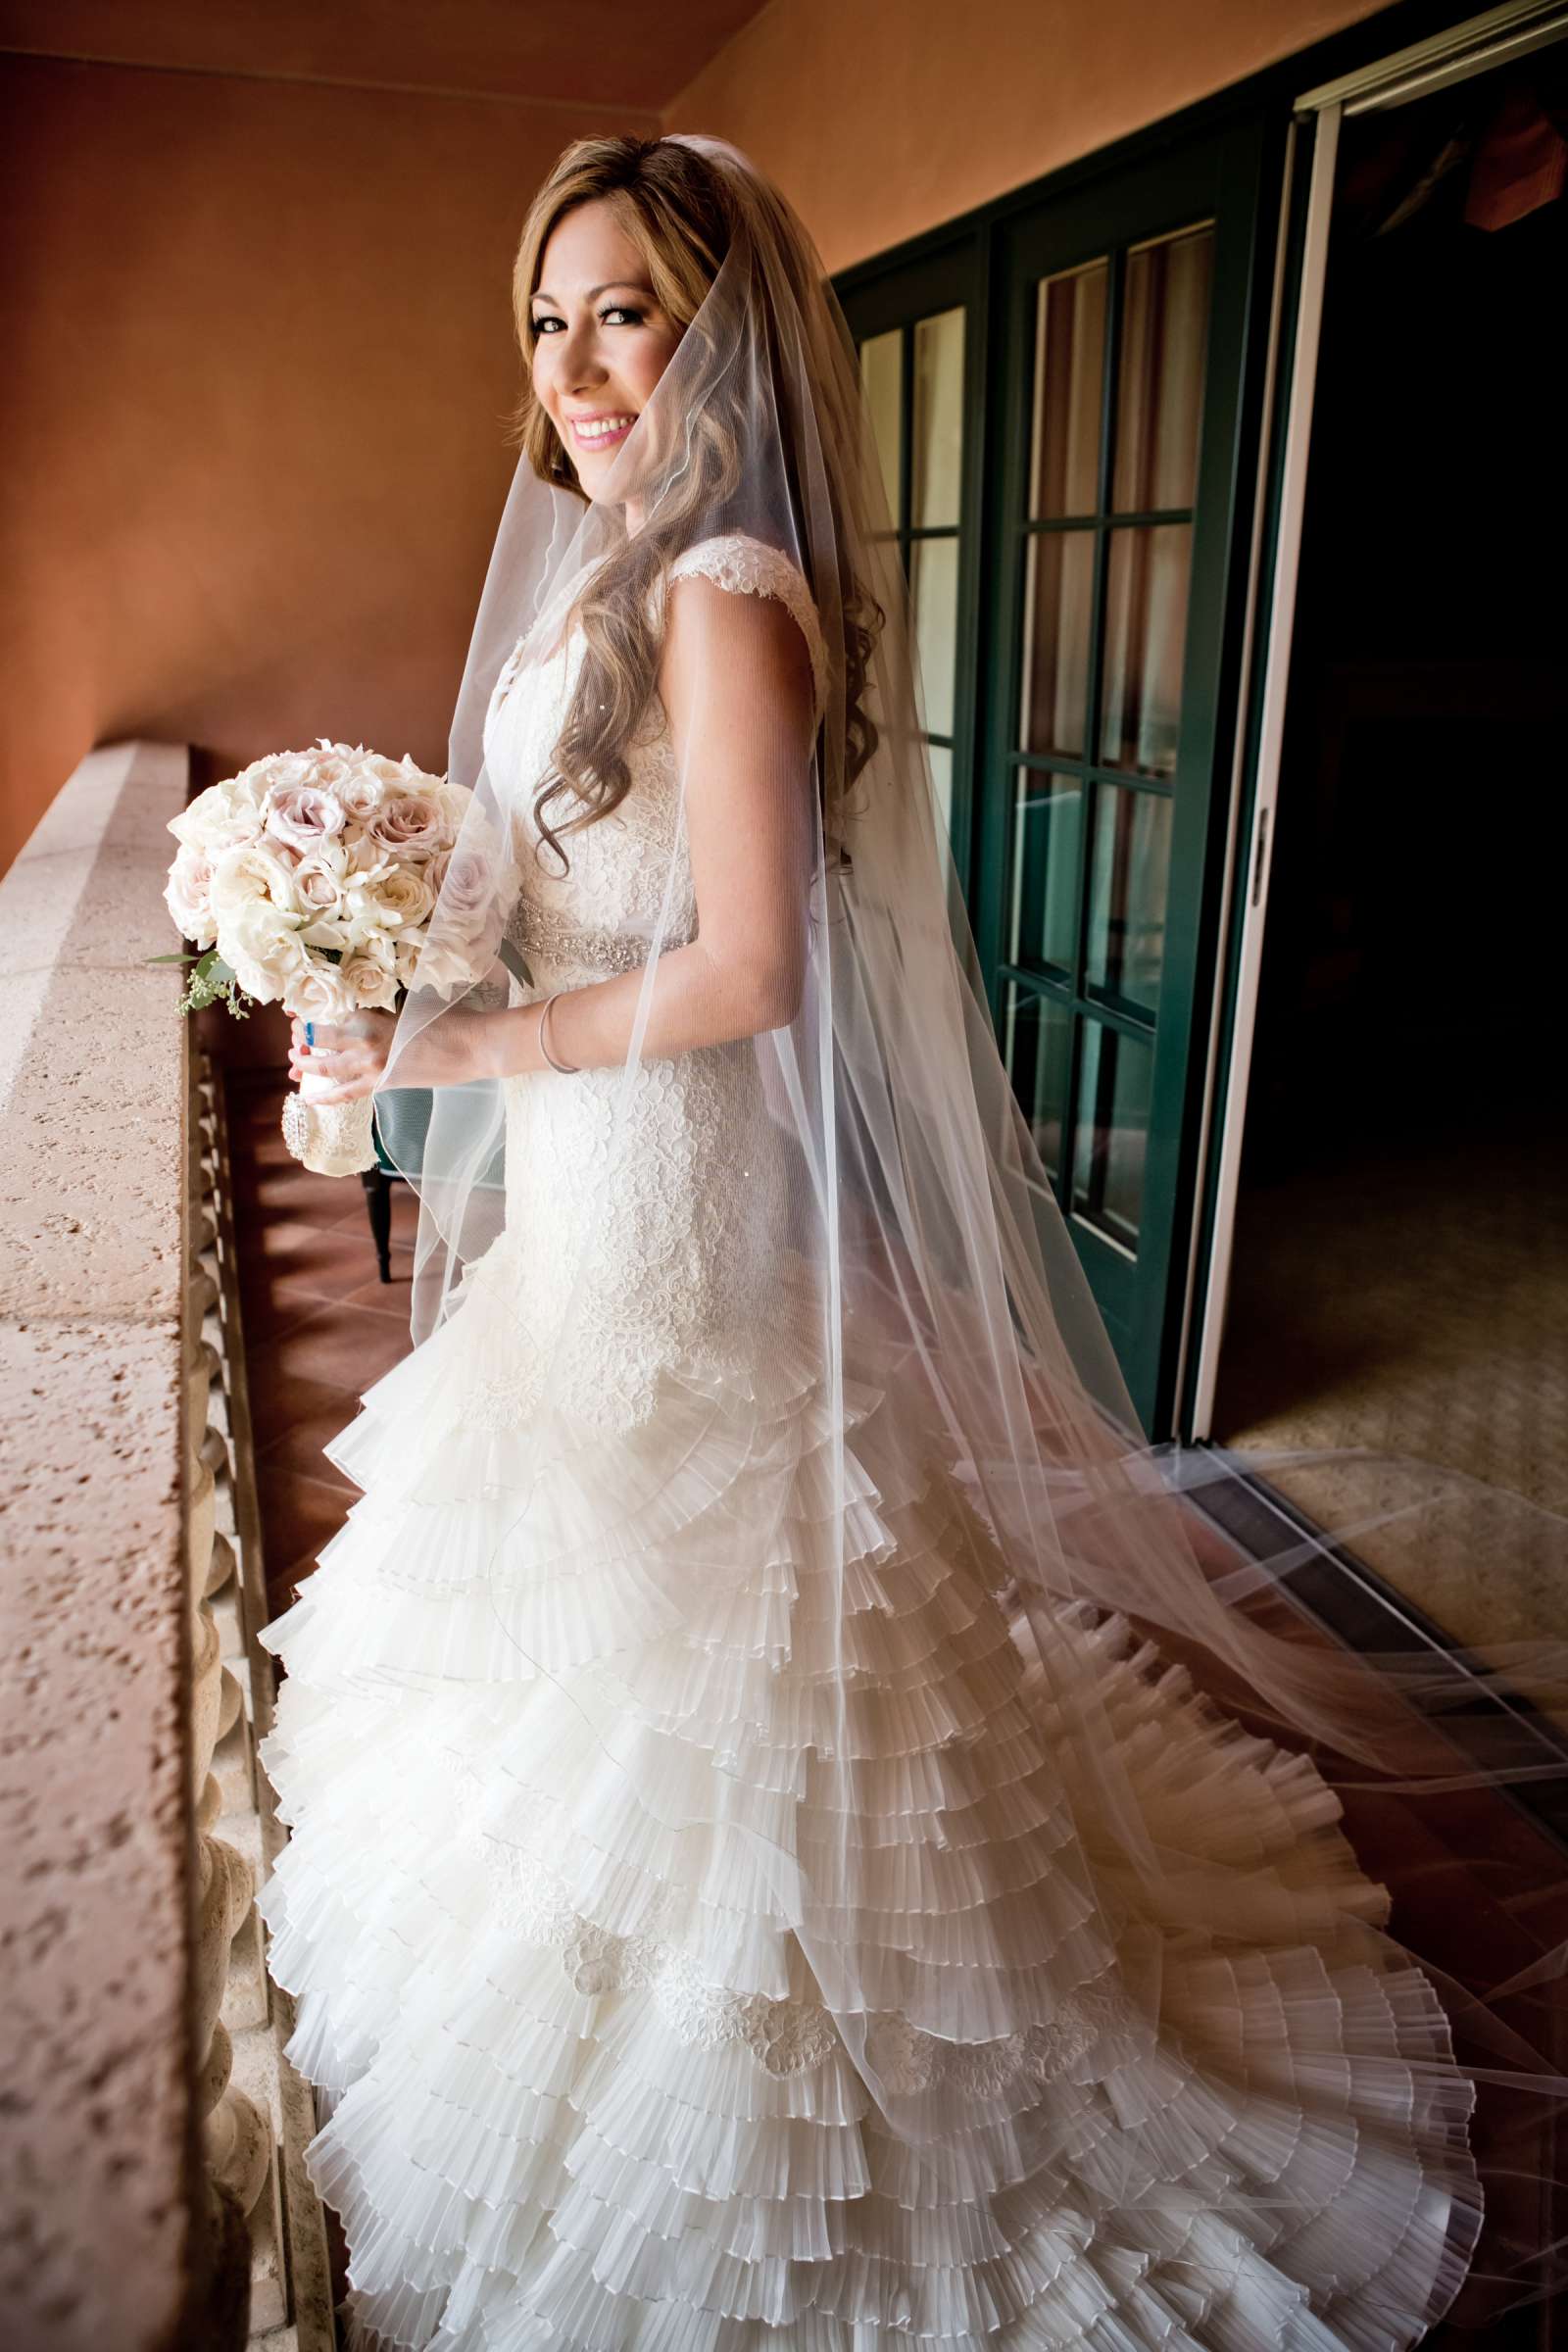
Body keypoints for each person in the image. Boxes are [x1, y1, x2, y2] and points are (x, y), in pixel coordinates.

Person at [257, 133, 1568, 2352]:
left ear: (722, 327)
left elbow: (749, 968)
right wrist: (374, 927)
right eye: (548, 318)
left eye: (625, 311)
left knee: (729, 1689)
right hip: (589, 1214)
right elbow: (564, 867)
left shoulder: (726, 596)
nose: (576, 365)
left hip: (671, 1203)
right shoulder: (607, 571)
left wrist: (476, 1060)